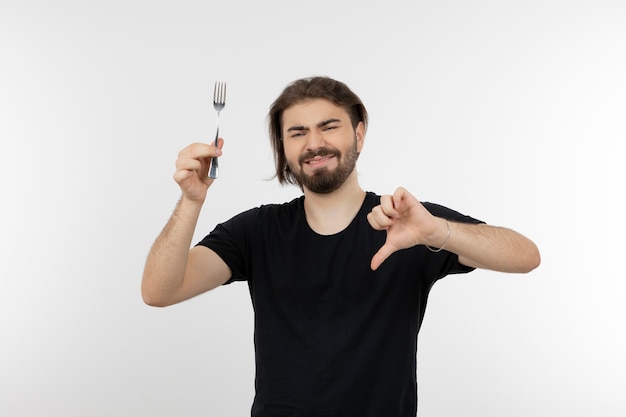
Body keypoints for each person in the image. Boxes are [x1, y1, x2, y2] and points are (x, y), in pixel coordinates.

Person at [142, 76, 541, 417]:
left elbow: (525, 256)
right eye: (297, 132)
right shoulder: (257, 231)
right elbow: (160, 291)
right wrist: (191, 201)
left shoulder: (407, 222)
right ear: (284, 149)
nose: (314, 143)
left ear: (359, 133)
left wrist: (437, 232)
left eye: (329, 126)